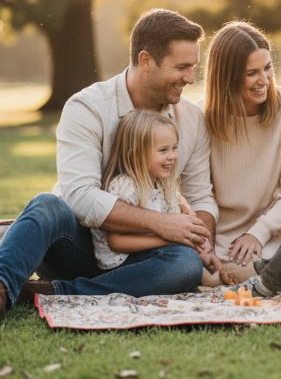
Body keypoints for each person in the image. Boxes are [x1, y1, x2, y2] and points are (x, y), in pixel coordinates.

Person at [0, 9, 219, 321]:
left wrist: (200, 240)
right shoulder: (88, 108)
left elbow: (201, 196)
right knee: (47, 205)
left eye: (193, 67)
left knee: (186, 264)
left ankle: (59, 293)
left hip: (143, 258)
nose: (191, 79)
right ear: (146, 61)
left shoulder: (192, 120)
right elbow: (80, 196)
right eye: (182, 68)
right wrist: (162, 223)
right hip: (78, 247)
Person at [203, 21, 281, 283]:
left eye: (267, 68)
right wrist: (207, 247)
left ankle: (263, 272)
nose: (264, 81)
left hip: (271, 235)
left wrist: (258, 232)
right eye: (251, 73)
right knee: (203, 275)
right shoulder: (200, 118)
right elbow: (197, 193)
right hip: (219, 239)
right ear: (226, 76)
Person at [92, 110, 217, 271]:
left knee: (188, 262)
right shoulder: (124, 186)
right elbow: (116, 242)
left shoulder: (165, 185)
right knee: (184, 263)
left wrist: (205, 252)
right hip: (120, 264)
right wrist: (171, 239)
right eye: (163, 150)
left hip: (150, 255)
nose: (172, 156)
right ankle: (79, 288)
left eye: (174, 148)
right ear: (135, 154)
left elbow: (182, 229)